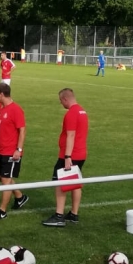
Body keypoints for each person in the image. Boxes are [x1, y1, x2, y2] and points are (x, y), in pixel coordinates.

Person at [42, 89, 89, 226]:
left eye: (61, 101)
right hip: (81, 153)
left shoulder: (71, 114)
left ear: (65, 99)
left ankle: (59, 216)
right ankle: (74, 214)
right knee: (76, 183)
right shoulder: (82, 111)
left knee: (59, 182)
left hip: (70, 155)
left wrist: (67, 156)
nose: (61, 104)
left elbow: (71, 135)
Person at [0, 82, 27, 219]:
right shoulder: (3, 109)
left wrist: (18, 149)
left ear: (2, 94)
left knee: (6, 181)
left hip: (11, 152)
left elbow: (22, 130)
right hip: (1, 151)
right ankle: (19, 196)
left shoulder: (16, 110)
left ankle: (2, 211)